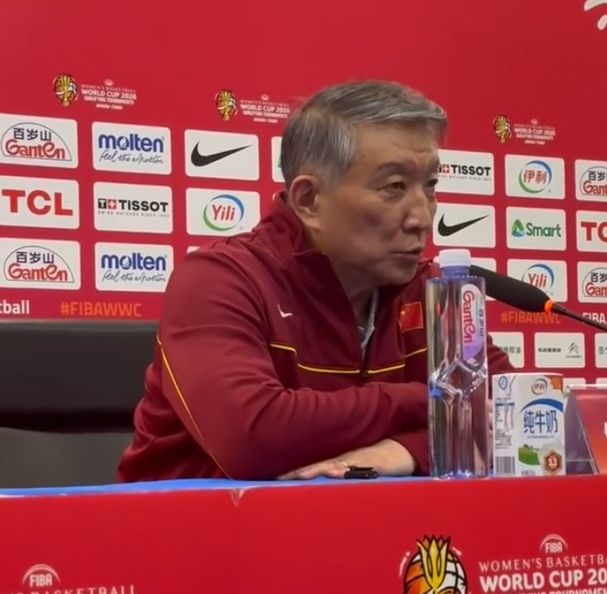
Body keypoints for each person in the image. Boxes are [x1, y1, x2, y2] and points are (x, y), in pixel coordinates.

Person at [117, 80, 513, 482]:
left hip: (362, 519)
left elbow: (507, 412)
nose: (423, 217)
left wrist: (405, 450)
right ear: (309, 200)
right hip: (193, 519)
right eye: (394, 187)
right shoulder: (219, 279)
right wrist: (439, 399)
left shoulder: (432, 290)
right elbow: (253, 437)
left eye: (430, 186)